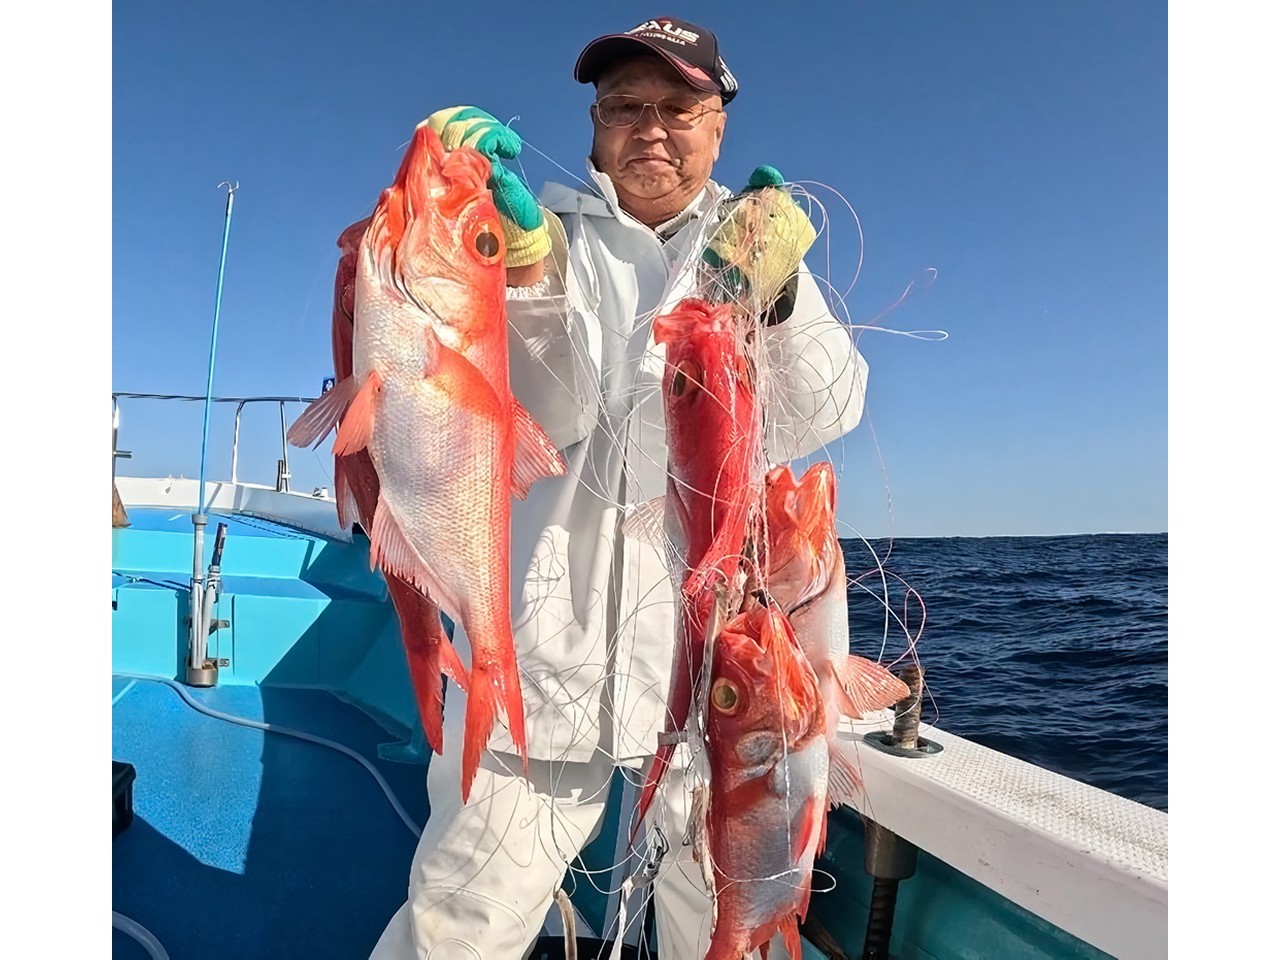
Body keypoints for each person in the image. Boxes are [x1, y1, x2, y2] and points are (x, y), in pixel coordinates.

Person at [369, 16, 869, 960]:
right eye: (624, 107)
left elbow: (828, 411)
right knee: (455, 931)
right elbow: (545, 420)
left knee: (721, 935)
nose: (651, 127)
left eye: (678, 107)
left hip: (710, 694)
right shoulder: (537, 236)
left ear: (719, 123)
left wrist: (789, 299)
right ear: (594, 125)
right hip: (534, 673)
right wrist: (525, 279)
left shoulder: (752, 244)